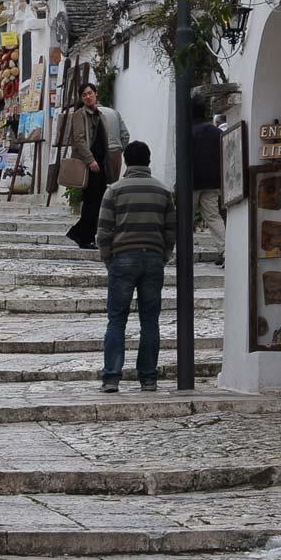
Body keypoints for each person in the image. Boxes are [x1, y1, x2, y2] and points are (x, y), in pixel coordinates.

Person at [97, 140, 173, 392]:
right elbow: (170, 231)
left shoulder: (114, 191)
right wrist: (163, 255)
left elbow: (104, 231)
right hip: (152, 258)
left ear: (127, 162)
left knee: (116, 319)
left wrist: (109, 259)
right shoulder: (163, 192)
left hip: (123, 257)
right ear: (149, 161)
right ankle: (148, 378)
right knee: (150, 320)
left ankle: (111, 377)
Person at [62, 82, 130, 249]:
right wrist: (90, 159)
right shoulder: (80, 114)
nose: (88, 96)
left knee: (99, 200)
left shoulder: (100, 114)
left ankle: (79, 233)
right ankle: (85, 237)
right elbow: (79, 139)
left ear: (95, 94)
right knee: (92, 200)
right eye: (84, 94)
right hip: (90, 164)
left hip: (102, 163)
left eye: (90, 93)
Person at [190, 96, 228, 244]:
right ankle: (225, 250)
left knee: (186, 217)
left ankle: (184, 250)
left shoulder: (186, 132)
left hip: (192, 182)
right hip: (213, 182)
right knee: (213, 216)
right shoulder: (216, 132)